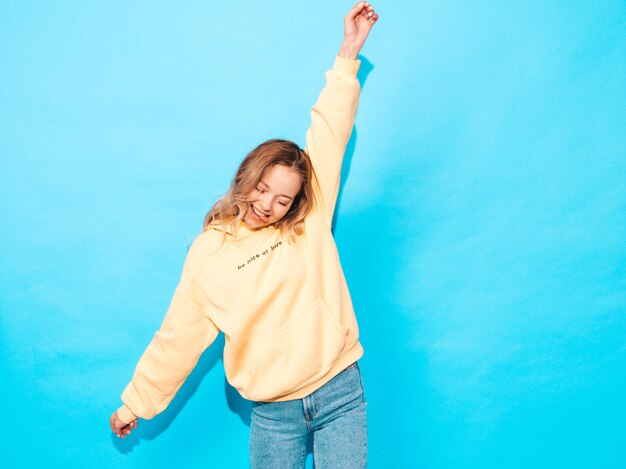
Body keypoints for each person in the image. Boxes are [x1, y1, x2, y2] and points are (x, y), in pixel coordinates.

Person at [110, 2, 379, 467]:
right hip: (274, 412)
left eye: (283, 200)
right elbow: (180, 335)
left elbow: (330, 132)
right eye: (262, 189)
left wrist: (348, 53)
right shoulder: (211, 252)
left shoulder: (306, 222)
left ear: (298, 201)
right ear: (246, 176)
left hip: (340, 391)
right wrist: (137, 402)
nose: (268, 206)